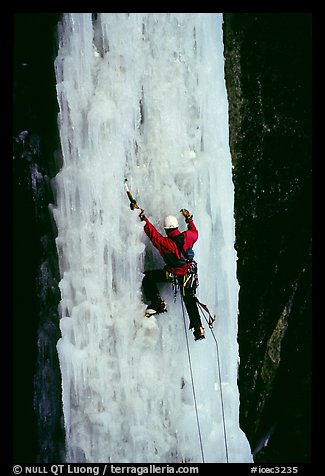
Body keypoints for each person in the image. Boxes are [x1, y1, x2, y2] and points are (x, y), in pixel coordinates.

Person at [138, 208, 205, 341]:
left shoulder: (164, 244)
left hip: (174, 274)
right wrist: (189, 219)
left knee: (147, 277)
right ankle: (198, 329)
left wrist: (143, 218)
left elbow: (153, 234)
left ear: (167, 230)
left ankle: (157, 302)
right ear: (176, 227)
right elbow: (195, 232)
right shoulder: (188, 236)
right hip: (189, 274)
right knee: (189, 299)